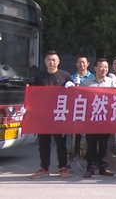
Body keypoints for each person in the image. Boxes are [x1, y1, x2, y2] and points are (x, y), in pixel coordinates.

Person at [30, 51, 72, 179]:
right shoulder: (39, 76)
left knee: (61, 143)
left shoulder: (65, 75)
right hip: (44, 115)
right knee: (43, 142)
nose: (51, 62)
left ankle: (62, 167)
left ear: (58, 61)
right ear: (45, 61)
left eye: (54, 60)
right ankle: (44, 167)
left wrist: (72, 86)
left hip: (59, 114)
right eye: (49, 59)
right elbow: (33, 95)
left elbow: (72, 96)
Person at [81, 58, 116, 178]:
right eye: (101, 67)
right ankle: (90, 168)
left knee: (104, 144)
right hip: (91, 118)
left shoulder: (111, 82)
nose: (104, 69)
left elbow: (115, 99)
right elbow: (81, 99)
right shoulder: (87, 82)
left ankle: (103, 167)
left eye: (106, 67)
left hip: (105, 118)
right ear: (95, 68)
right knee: (91, 144)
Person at [70, 55, 93, 163]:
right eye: (79, 62)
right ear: (76, 64)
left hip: (89, 110)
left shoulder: (93, 77)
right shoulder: (71, 77)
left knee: (90, 136)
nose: (81, 64)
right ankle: (75, 157)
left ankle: (90, 158)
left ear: (88, 64)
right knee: (75, 136)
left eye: (84, 62)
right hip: (76, 110)